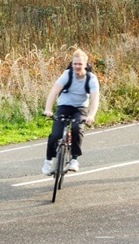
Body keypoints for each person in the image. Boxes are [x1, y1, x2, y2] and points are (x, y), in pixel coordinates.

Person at [41, 48, 101, 176]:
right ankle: (48, 161)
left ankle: (74, 159)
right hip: (64, 106)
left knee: (77, 128)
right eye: (75, 64)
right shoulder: (67, 75)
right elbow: (53, 92)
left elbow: (95, 99)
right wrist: (48, 109)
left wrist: (91, 115)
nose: (77, 66)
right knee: (55, 135)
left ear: (85, 65)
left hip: (80, 108)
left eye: (80, 64)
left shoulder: (91, 78)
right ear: (72, 64)